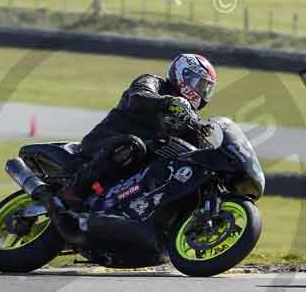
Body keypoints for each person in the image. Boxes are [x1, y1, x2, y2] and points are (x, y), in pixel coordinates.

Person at [61, 53, 217, 210]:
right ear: (183, 74)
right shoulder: (153, 82)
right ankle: (74, 189)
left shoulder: (187, 114)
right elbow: (138, 97)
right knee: (133, 144)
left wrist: (205, 138)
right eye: (199, 84)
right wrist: (168, 102)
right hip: (105, 142)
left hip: (135, 164)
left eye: (206, 88)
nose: (202, 91)